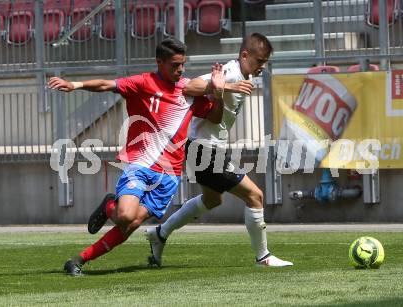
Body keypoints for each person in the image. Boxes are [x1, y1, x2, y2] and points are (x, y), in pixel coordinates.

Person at [48, 37, 252, 276]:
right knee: (124, 215)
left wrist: (217, 94)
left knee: (131, 224)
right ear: (160, 62)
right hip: (141, 164)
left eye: (183, 64)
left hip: (170, 175)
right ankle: (110, 204)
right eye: (175, 65)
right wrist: (75, 85)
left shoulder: (187, 91)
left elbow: (215, 118)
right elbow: (107, 84)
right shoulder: (143, 83)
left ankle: (78, 261)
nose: (181, 70)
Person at [145, 33, 293, 267]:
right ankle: (263, 257)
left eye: (264, 62)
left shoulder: (242, 74)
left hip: (204, 149)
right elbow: (190, 87)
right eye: (259, 61)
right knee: (255, 196)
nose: (261, 67)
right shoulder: (231, 73)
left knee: (212, 200)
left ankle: (160, 233)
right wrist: (226, 85)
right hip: (204, 150)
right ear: (245, 56)